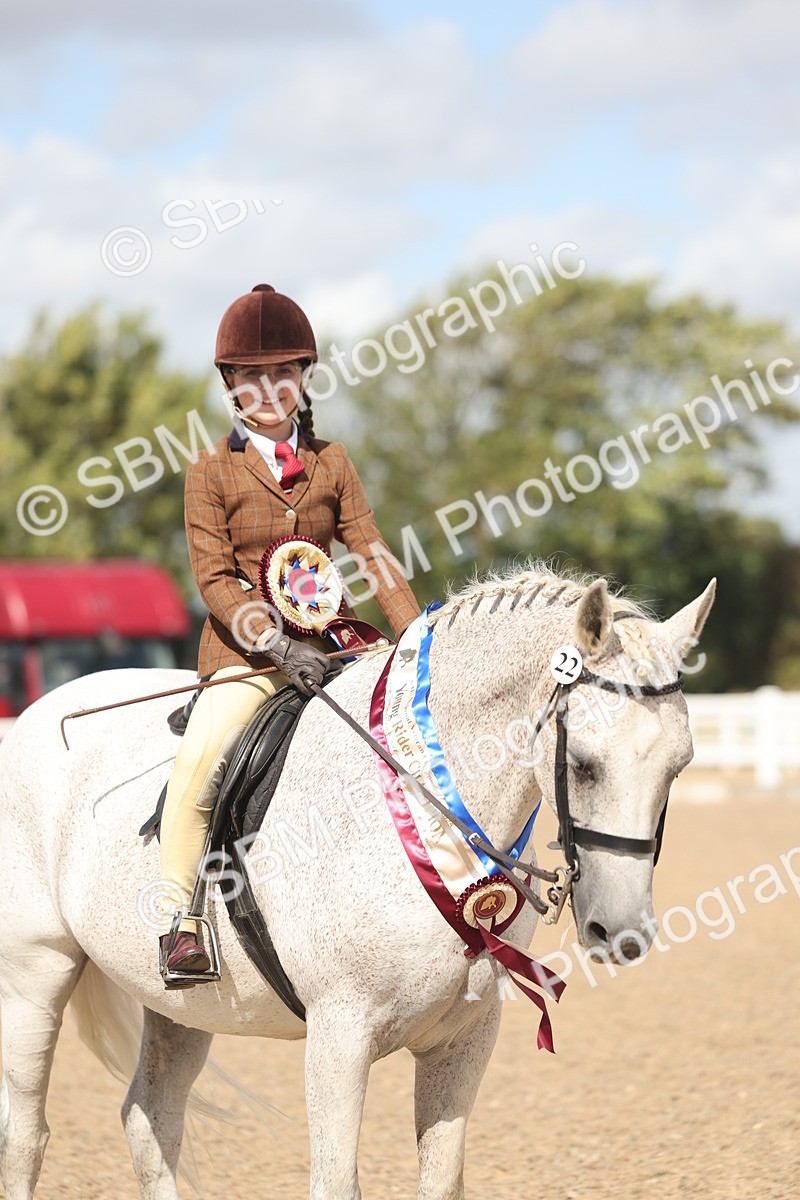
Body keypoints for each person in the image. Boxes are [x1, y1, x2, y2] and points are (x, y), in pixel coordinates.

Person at [158, 283, 420, 980]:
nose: (269, 389)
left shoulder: (333, 461)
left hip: (335, 644)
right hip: (249, 657)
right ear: (230, 385)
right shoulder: (209, 469)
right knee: (199, 768)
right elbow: (212, 577)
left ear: (304, 377)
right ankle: (179, 922)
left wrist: (420, 639)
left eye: (283, 373)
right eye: (252, 376)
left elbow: (373, 554)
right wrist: (275, 646)